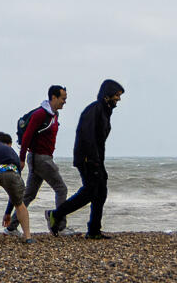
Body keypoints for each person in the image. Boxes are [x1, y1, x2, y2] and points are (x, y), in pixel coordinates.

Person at [48, 79, 125, 238]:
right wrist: (93, 160)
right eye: (117, 95)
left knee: (101, 191)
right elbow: (87, 136)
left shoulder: (105, 110)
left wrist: (99, 162)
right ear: (108, 94)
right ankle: (56, 214)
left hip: (96, 158)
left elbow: (99, 140)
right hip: (87, 158)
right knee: (90, 191)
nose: (119, 99)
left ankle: (94, 230)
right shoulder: (95, 109)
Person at [5, 85, 68, 233]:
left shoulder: (54, 115)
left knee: (29, 195)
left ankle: (11, 227)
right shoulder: (40, 114)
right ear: (53, 97)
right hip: (40, 158)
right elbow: (27, 136)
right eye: (63, 98)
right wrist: (21, 159)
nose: (64, 102)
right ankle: (59, 226)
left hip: (40, 158)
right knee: (61, 189)